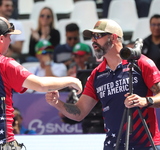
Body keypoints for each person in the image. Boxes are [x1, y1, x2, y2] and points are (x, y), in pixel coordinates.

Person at [0, 16, 82, 150]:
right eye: (9, 36)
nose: (10, 40)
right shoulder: (4, 63)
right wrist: (72, 80)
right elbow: (40, 84)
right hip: (0, 144)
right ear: (1, 38)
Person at [45, 18, 160, 150]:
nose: (93, 40)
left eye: (98, 36)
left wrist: (145, 101)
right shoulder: (96, 75)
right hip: (113, 146)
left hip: (146, 145)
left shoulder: (140, 63)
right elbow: (80, 111)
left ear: (114, 37)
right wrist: (56, 103)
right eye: (92, 37)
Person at [59, 42, 104, 134]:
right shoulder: (74, 74)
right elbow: (72, 111)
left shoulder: (101, 70)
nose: (78, 59)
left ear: (89, 55)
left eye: (81, 56)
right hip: (87, 122)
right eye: (75, 56)